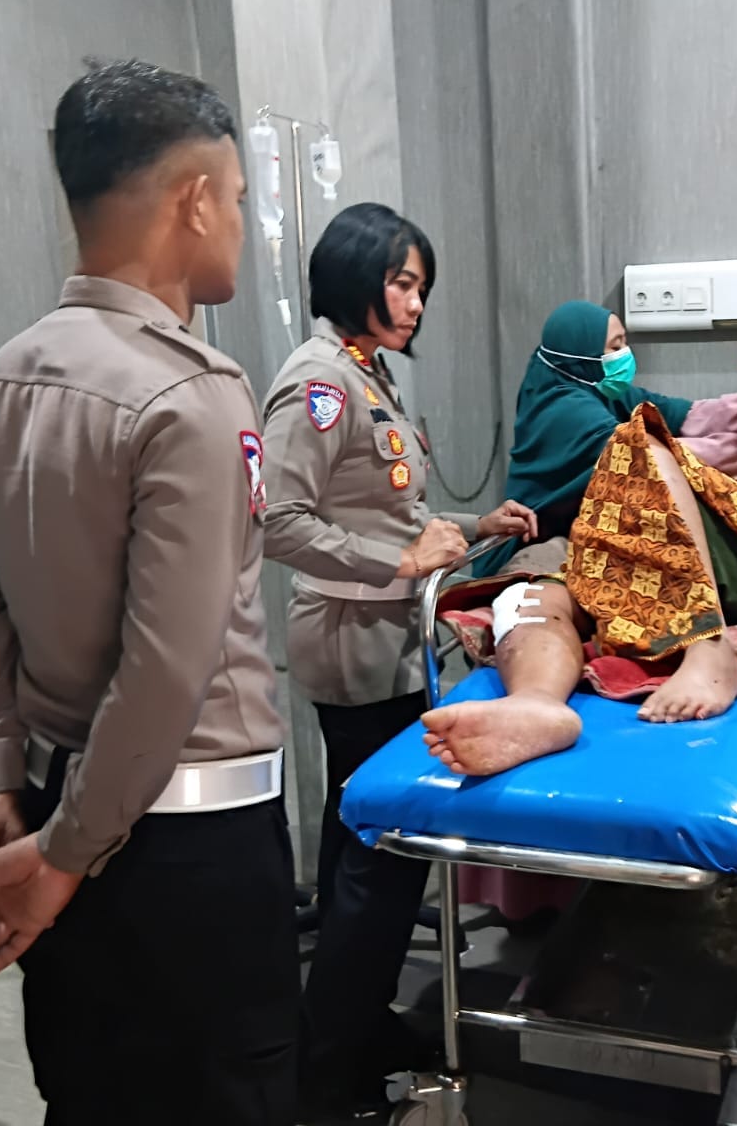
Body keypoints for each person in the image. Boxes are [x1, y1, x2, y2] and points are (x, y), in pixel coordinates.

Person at [0, 60, 297, 1124]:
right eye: (239, 199)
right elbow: (165, 673)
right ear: (195, 201)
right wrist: (61, 857)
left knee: (90, 1095)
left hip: (52, 808)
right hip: (185, 850)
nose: (240, 224)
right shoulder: (192, 394)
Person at [257, 201, 536, 1117]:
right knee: (380, 860)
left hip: (390, 639)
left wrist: (476, 527)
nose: (416, 304)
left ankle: (348, 1026)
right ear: (355, 280)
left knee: (362, 850)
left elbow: (392, 513)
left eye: (421, 288)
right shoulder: (319, 384)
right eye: (401, 284)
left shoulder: (366, 375)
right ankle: (329, 1073)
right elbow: (280, 521)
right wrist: (401, 564)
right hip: (355, 645)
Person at [422, 333, 737, 771]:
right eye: (612, 344)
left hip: (727, 582)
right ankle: (536, 703)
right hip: (629, 570)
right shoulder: (590, 420)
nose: (621, 354)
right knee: (526, 598)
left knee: (636, 440)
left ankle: (710, 647)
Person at [475, 300, 737, 576]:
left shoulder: (606, 390)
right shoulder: (563, 411)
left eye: (624, 342)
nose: (626, 354)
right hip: (536, 539)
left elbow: (699, 417)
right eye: (615, 346)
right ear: (582, 355)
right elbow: (646, 455)